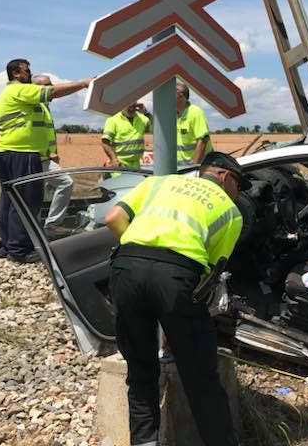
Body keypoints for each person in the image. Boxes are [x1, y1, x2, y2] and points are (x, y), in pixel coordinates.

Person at [103, 151, 249, 446]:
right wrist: (179, 322)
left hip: (126, 269)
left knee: (141, 372)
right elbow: (209, 276)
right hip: (177, 277)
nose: (238, 194)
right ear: (223, 176)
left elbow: (113, 218)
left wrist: (143, 257)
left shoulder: (159, 183)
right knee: (200, 377)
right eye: (239, 185)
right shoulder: (231, 212)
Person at [0, 59, 91, 263]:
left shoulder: (4, 95)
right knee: (27, 201)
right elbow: (51, 93)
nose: (29, 74)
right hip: (23, 153)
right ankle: (21, 250)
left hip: (5, 151)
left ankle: (8, 246)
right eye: (27, 71)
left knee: (10, 201)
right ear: (16, 74)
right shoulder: (21, 90)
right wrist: (83, 83)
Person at [32, 75, 76, 235]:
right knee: (34, 194)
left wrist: (53, 153)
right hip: (32, 158)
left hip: (45, 158)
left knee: (65, 182)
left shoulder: (45, 107)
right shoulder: (33, 104)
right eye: (47, 85)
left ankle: (51, 224)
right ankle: (37, 228)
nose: (51, 88)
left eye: (51, 84)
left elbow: (47, 134)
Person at [101, 102, 151, 170]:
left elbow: (157, 129)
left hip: (136, 164)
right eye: (129, 107)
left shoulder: (143, 119)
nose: (132, 110)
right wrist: (113, 159)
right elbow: (105, 141)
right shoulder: (112, 119)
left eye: (134, 106)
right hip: (119, 164)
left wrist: (146, 113)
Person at [176, 82, 212, 165]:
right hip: (180, 168)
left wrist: (194, 167)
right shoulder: (172, 114)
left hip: (195, 168)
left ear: (180, 96)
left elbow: (203, 140)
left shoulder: (195, 112)